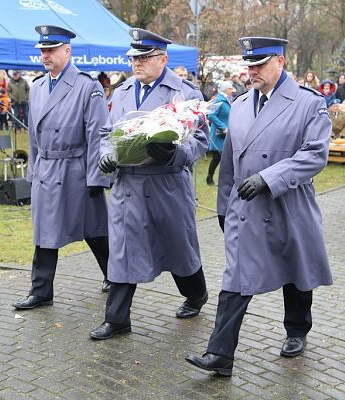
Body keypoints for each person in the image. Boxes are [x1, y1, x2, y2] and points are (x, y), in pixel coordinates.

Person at [186, 36, 332, 376]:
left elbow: (315, 154)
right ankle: (220, 355)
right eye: (248, 65)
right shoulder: (238, 105)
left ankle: (297, 329)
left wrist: (270, 178)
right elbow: (229, 162)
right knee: (236, 278)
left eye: (259, 64)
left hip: (288, 202)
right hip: (245, 207)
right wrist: (224, 205)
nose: (251, 71)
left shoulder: (309, 103)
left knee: (296, 271)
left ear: (280, 61)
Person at [89, 28, 209, 340]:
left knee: (178, 248)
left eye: (144, 57)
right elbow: (106, 133)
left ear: (163, 59)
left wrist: (174, 153)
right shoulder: (123, 90)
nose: (137, 63)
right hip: (128, 186)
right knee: (123, 252)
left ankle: (196, 293)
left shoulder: (185, 93)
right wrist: (106, 156)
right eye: (134, 58)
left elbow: (200, 140)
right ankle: (117, 319)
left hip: (167, 185)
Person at [12, 25, 111, 310]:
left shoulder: (87, 85)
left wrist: (97, 177)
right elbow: (33, 133)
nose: (46, 55)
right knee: (45, 231)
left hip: (75, 169)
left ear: (67, 51)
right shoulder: (38, 86)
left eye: (51, 50)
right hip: (46, 167)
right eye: (43, 50)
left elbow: (98, 133)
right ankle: (41, 290)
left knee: (95, 229)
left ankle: (115, 275)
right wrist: (32, 171)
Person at [207, 80, 235, 185]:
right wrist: (223, 127)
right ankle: (209, 178)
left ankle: (223, 180)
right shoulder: (218, 100)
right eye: (230, 88)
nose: (232, 91)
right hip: (219, 134)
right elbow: (211, 115)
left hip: (226, 134)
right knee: (217, 158)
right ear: (225, 89)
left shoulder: (227, 100)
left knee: (224, 158)